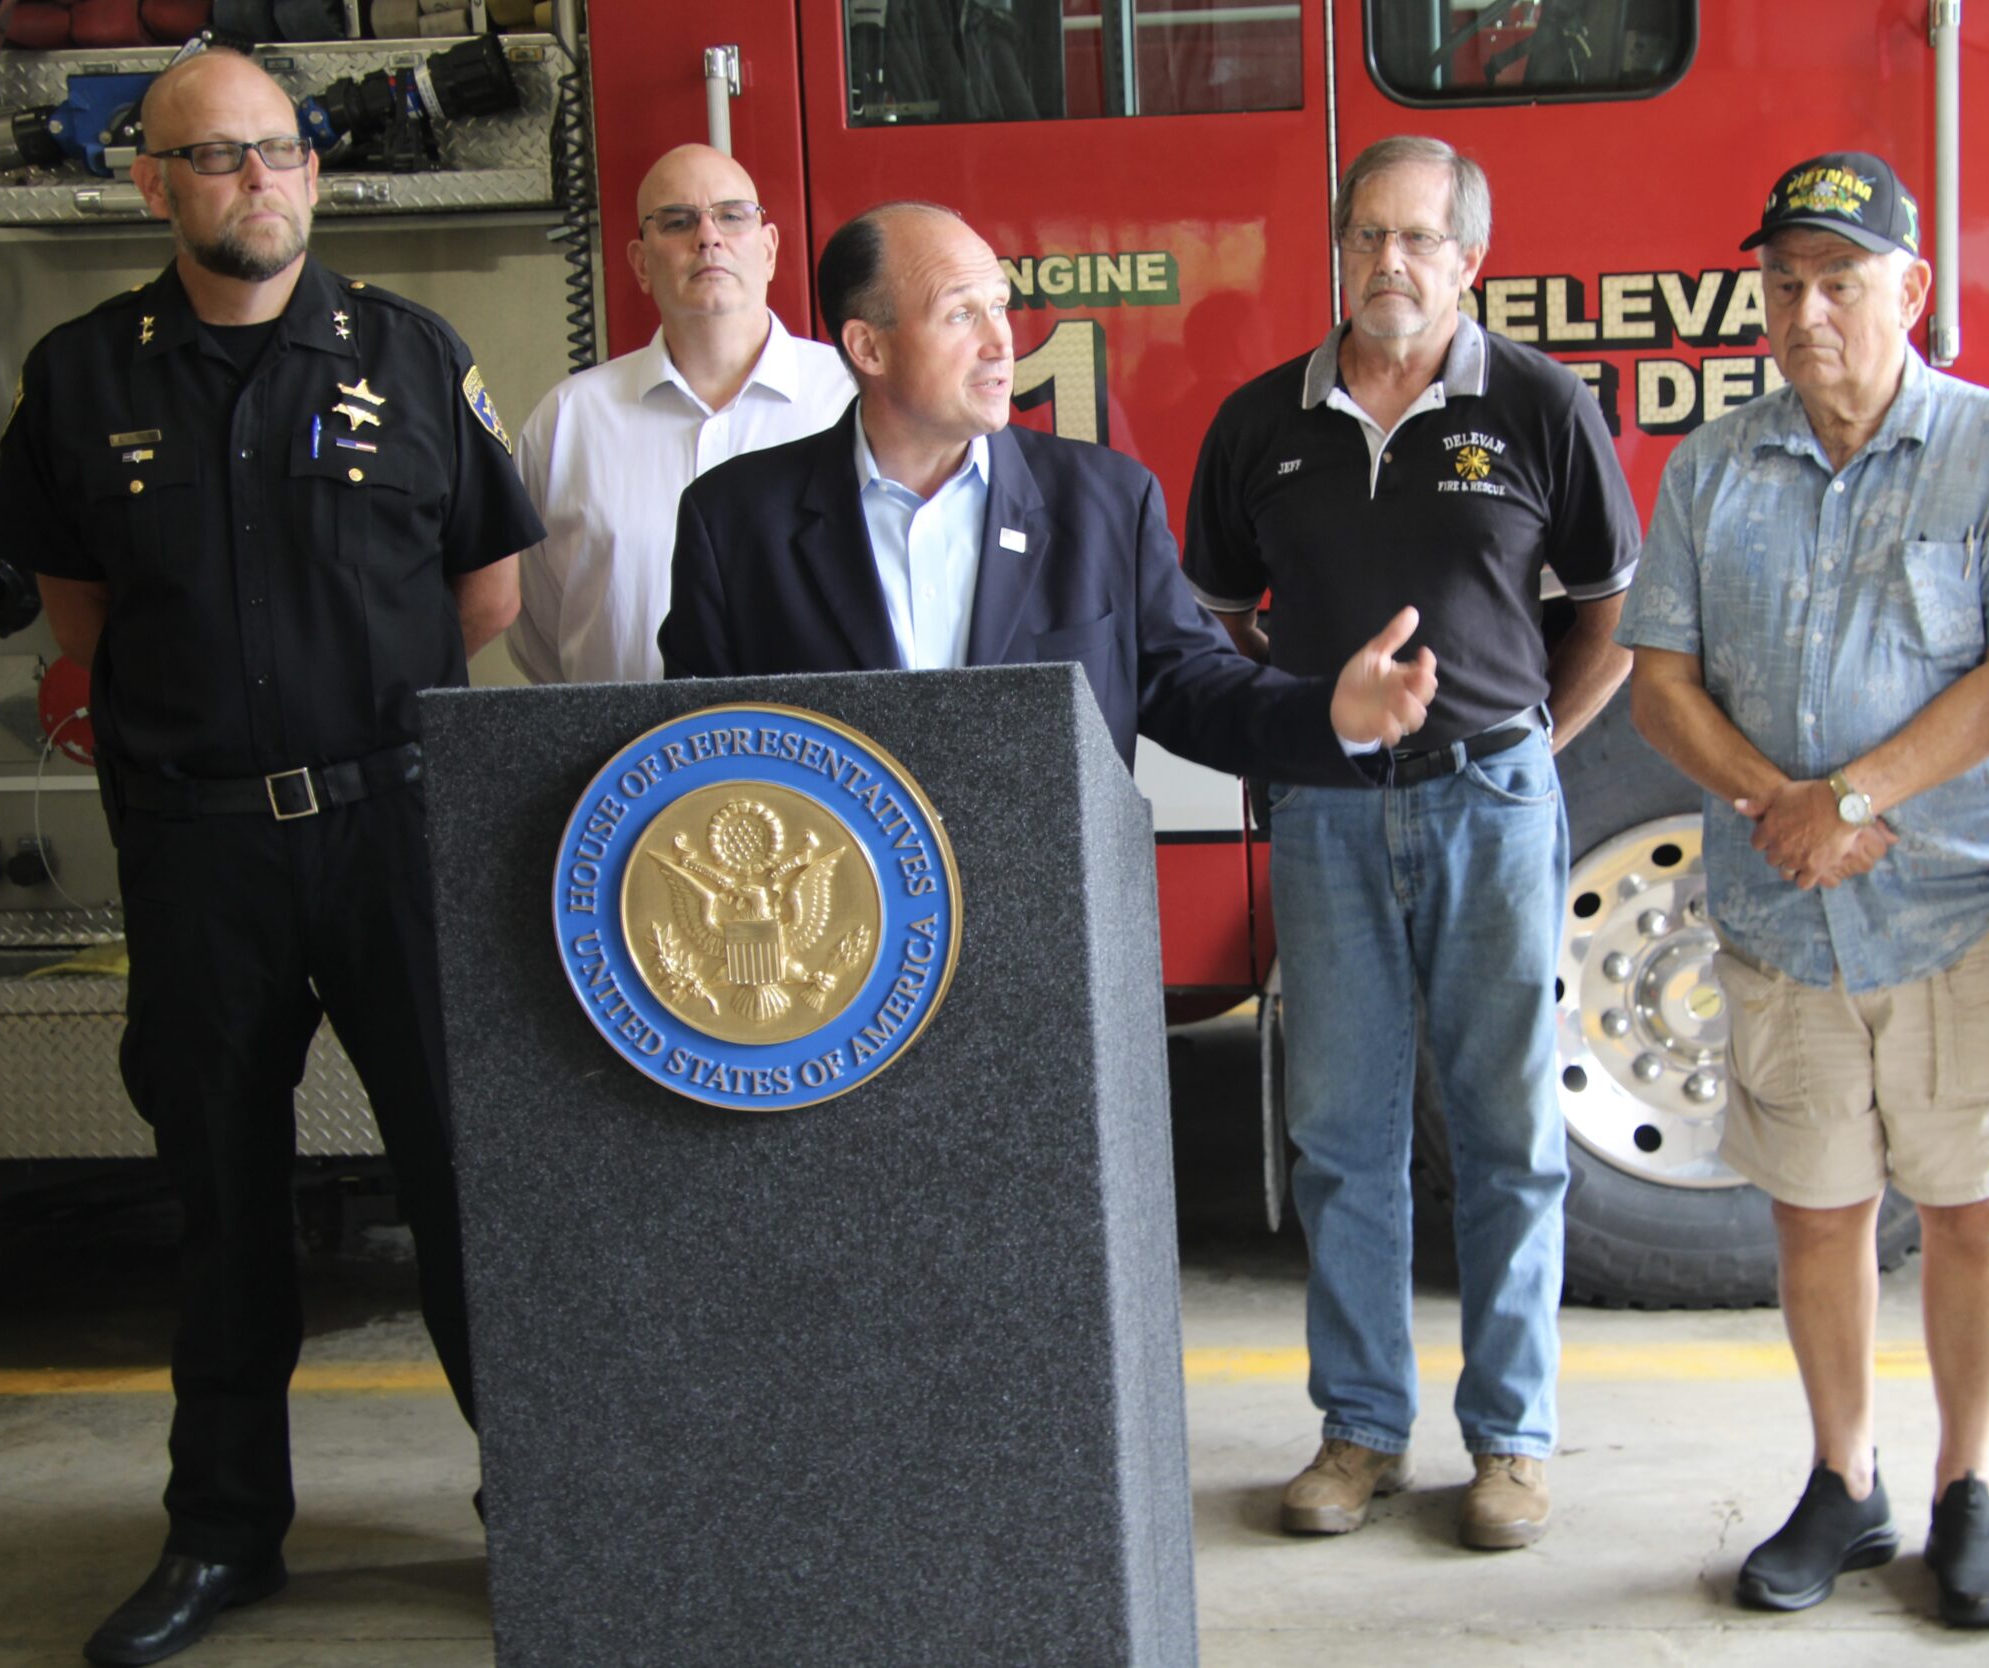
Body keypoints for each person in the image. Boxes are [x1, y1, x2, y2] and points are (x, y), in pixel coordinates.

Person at [0, 48, 542, 1668]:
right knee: (221, 1203)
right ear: (152, 182)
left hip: (389, 835)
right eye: (210, 158)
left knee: (458, 1183)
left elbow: (483, 598)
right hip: (198, 852)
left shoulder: (412, 355)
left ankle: (537, 1504)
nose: (253, 181)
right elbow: (79, 619)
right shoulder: (84, 377)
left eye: (276, 151)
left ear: (313, 168)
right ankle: (223, 1532)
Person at [1616, 151, 1989, 1625]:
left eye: (1840, 279)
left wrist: (1860, 798)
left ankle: (1968, 1491)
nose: (1807, 309)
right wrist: (1787, 808)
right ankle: (1847, 1483)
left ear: (1912, 289)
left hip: (1963, 909)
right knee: (1816, 1214)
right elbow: (1659, 687)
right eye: (1784, 283)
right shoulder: (1714, 467)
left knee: (1966, 1208)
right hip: (1784, 914)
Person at [1181, 135, 1640, 1552]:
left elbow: (1611, 621)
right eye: (1368, 235)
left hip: (1492, 803)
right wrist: (1322, 722)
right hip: (1325, 813)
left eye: (1420, 240)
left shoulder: (1544, 407)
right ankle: (1361, 1432)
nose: (1391, 262)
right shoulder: (1263, 424)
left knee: (1507, 1130)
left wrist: (1524, 754)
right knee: (1341, 1136)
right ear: (1339, 248)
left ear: (1470, 259)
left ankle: (1511, 1444)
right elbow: (1224, 616)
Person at [658, 200, 1438, 789]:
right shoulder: (736, 524)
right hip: (836, 957)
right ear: (868, 346)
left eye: (999, 306)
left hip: (1055, 941)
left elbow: (1193, 688)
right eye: (960, 315)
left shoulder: (1103, 502)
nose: (1002, 341)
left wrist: (1332, 716)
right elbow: (698, 750)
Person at [509, 142, 852, 684]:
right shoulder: (567, 423)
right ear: (641, 264)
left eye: (732, 216)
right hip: (620, 757)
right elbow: (537, 629)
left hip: (814, 759)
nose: (708, 237)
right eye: (677, 221)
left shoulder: (854, 403)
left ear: (768, 249)